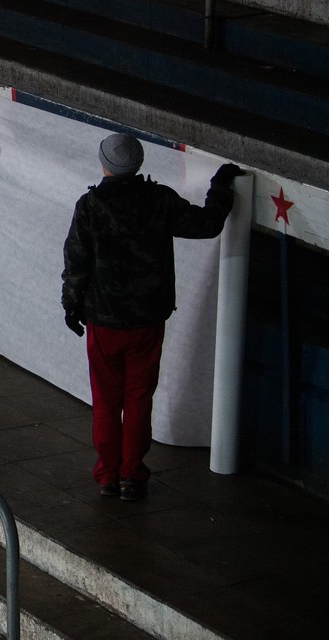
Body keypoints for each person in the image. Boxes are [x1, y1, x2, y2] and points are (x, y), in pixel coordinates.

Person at [61, 133, 242, 501]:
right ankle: (132, 475)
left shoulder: (90, 206)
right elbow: (207, 224)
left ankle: (107, 475)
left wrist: (71, 305)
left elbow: (76, 263)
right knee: (140, 396)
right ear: (139, 164)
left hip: (104, 321)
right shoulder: (159, 200)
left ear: (104, 164)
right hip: (147, 320)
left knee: (107, 398)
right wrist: (220, 186)